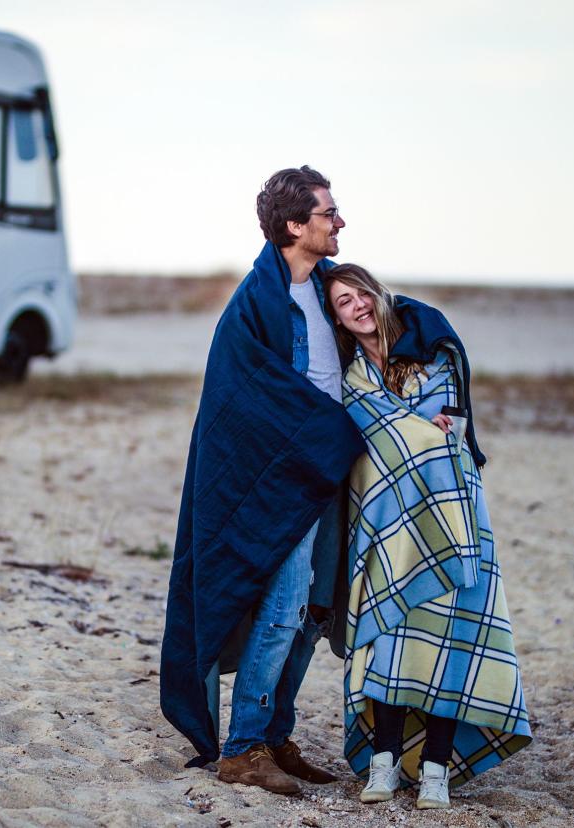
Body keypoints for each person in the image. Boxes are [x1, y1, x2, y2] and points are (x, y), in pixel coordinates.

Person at [159, 167, 366, 796]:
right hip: (282, 477)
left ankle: (274, 734)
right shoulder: (257, 300)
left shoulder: (331, 288)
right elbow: (241, 397)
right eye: (329, 213)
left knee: (312, 608)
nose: (340, 222)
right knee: (281, 605)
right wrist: (324, 431)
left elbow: (393, 326)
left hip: (325, 469)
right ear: (294, 225)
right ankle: (242, 748)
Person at [322, 263, 532, 809]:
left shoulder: (432, 359)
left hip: (453, 520)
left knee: (448, 641)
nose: (356, 307)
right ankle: (384, 764)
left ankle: (436, 769)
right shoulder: (352, 381)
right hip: (387, 527)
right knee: (391, 640)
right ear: (338, 319)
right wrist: (426, 433)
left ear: (378, 294)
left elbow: (448, 434)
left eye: (360, 293)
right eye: (343, 303)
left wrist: (440, 433)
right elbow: (383, 441)